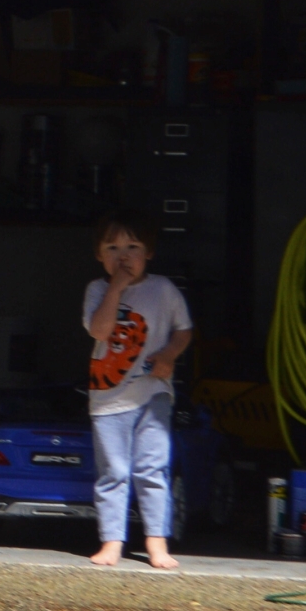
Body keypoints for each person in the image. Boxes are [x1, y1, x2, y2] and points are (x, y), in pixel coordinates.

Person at [82, 213, 193, 570]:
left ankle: (156, 542)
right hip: (108, 399)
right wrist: (116, 287)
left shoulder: (163, 289)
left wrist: (170, 355)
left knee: (152, 466)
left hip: (152, 393)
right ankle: (112, 540)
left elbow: (183, 329)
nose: (123, 255)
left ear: (149, 253)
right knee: (113, 469)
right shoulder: (98, 290)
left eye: (133, 247)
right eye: (112, 248)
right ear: (99, 255)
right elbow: (100, 331)